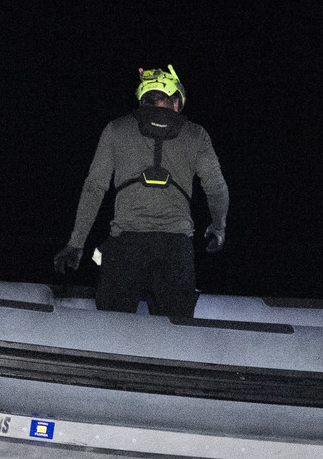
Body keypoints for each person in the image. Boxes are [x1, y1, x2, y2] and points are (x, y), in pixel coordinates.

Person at [54, 65, 229, 318]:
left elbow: (95, 188)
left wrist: (76, 242)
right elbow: (217, 189)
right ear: (176, 102)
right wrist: (218, 228)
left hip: (124, 247)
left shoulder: (116, 129)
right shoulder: (196, 135)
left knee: (112, 330)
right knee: (176, 334)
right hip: (175, 249)